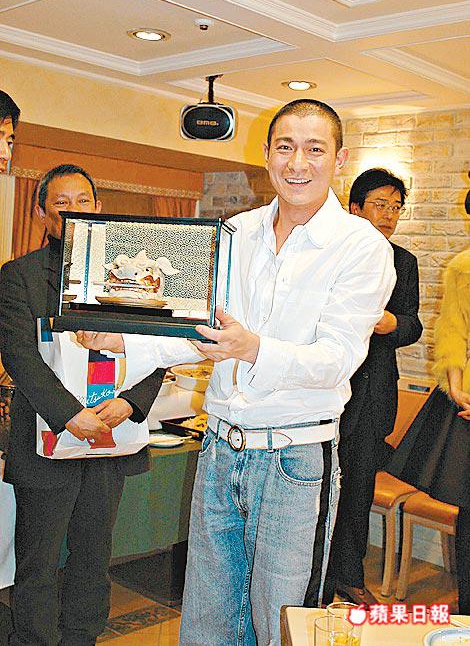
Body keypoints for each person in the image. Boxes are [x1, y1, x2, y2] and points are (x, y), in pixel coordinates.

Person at [78, 99, 396, 645]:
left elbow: (338, 358)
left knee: (282, 621)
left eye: (314, 149)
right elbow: (197, 330)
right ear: (267, 154)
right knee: (208, 616)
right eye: (285, 147)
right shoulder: (235, 232)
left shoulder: (361, 246)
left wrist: (253, 348)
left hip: (296, 458)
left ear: (339, 159)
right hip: (220, 449)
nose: (298, 163)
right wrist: (123, 339)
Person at [0, 163, 165, 646]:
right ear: (42, 214)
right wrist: (70, 415)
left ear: (99, 208)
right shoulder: (19, 276)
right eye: (61, 203)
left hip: (110, 439)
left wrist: (131, 403)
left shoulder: (130, 274)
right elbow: (19, 355)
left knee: (94, 558)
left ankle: (82, 637)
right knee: (38, 562)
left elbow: (156, 344)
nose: (74, 211)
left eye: (84, 201)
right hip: (46, 438)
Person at [323, 168, 423, 605]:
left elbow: (413, 324)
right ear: (354, 208)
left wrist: (392, 323)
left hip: (374, 394)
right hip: (326, 389)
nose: (388, 215)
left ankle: (349, 576)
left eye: (395, 207)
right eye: (379, 205)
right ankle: (314, 578)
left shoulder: (403, 261)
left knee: (358, 489)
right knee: (318, 486)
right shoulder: (329, 253)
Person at [388, 184, 470, 615]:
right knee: (468, 512)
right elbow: (452, 329)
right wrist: (455, 385)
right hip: (467, 405)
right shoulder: (463, 267)